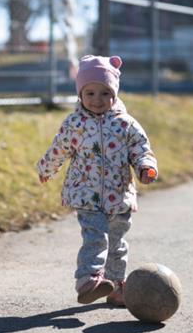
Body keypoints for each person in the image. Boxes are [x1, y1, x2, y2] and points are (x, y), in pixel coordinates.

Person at [36, 55, 158, 306]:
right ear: (80, 94)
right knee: (95, 237)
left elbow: (140, 149)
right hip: (86, 194)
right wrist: (47, 168)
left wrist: (146, 167)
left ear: (114, 93)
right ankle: (87, 280)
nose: (97, 100)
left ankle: (115, 286)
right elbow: (59, 148)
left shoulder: (126, 124)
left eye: (104, 93)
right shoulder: (75, 123)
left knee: (117, 244)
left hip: (119, 196)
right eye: (89, 93)